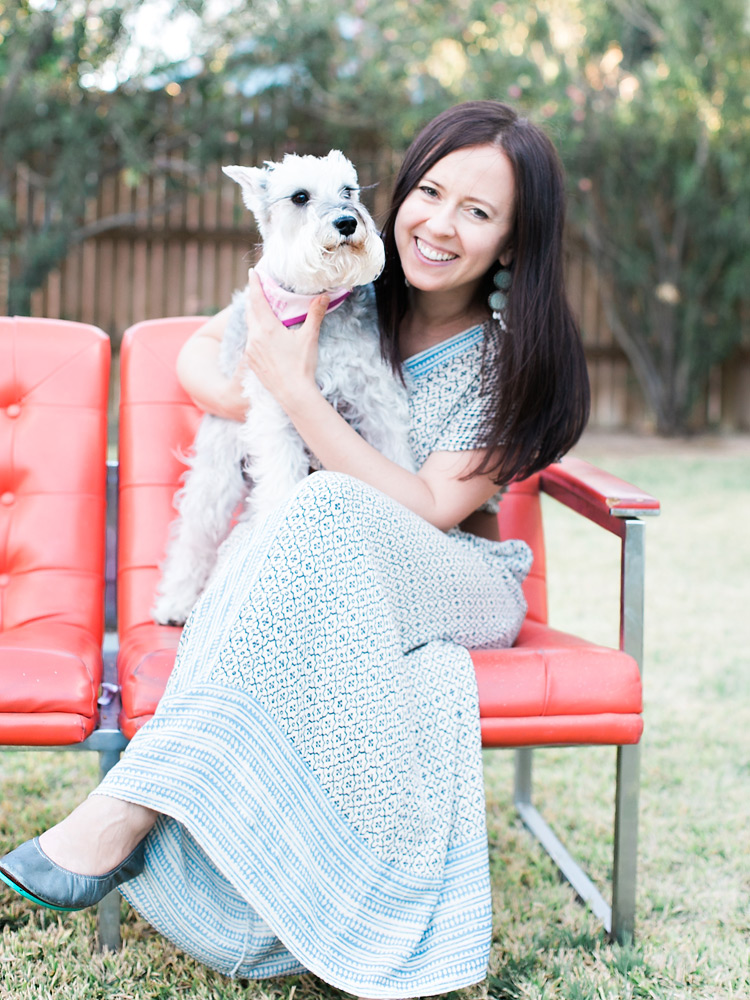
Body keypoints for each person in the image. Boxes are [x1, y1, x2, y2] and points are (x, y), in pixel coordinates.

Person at [0, 101, 589, 997]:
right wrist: (260, 390)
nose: (438, 222)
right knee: (299, 524)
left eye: (477, 211)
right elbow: (202, 354)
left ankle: (124, 812)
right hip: (335, 563)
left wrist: (297, 393)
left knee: (317, 510)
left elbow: (430, 505)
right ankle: (259, 878)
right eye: (428, 192)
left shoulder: (511, 357)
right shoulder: (340, 282)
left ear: (514, 241)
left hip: (460, 579)